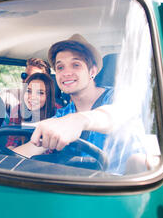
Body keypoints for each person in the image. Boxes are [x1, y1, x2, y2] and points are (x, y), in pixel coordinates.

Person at [13, 34, 144, 173]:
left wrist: (80, 120)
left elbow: (115, 115)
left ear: (92, 71)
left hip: (122, 187)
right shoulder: (62, 114)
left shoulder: (119, 96)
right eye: (60, 67)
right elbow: (31, 148)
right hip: (78, 187)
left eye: (76, 65)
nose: (66, 73)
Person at [5, 72, 56, 148]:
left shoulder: (57, 113)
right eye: (29, 91)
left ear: (48, 96)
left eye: (40, 93)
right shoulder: (18, 110)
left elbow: (49, 151)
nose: (32, 97)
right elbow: (11, 143)